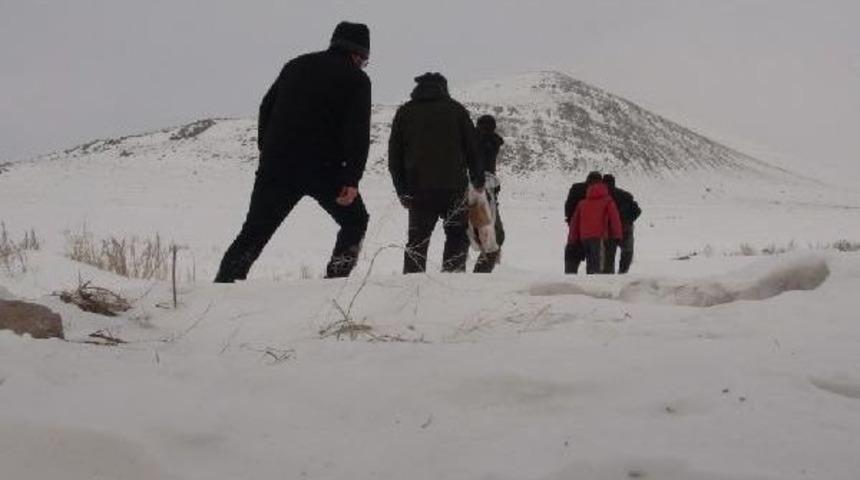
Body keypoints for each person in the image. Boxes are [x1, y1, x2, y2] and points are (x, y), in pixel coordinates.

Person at [214, 22, 372, 283]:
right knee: (355, 220)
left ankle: (223, 287)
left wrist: (267, 149)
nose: (363, 65)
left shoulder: (295, 66)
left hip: (277, 166)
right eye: (364, 61)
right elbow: (357, 132)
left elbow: (266, 107)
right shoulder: (357, 79)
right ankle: (336, 283)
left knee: (254, 231)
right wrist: (352, 178)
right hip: (325, 169)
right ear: (357, 55)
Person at [388, 72, 485, 273]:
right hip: (454, 187)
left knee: (417, 240)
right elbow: (473, 149)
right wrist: (478, 179)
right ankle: (452, 278)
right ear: (443, 88)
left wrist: (402, 190)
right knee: (457, 235)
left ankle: (411, 284)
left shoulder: (405, 112)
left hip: (418, 189)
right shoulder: (456, 110)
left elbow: (394, 157)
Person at [568, 180, 623, 274]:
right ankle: (596, 281)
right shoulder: (608, 202)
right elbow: (615, 219)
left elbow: (574, 222)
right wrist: (617, 235)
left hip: (584, 237)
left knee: (590, 262)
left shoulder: (582, 203)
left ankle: (590, 279)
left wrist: (572, 238)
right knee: (598, 263)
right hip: (599, 236)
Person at [473, 114, 505, 273]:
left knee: (488, 236)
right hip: (481, 193)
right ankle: (480, 274)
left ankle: (476, 274)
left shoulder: (474, 140)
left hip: (480, 192)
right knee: (494, 237)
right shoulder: (492, 142)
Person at [563, 171, 602, 273]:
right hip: (595, 232)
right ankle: (592, 280)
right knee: (593, 262)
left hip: (576, 228)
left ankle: (569, 277)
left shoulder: (576, 188)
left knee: (572, 256)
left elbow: (568, 206)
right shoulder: (602, 192)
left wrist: (570, 221)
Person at [602, 174, 642, 273]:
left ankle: (608, 275)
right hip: (625, 228)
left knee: (609, 254)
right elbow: (637, 210)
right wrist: (629, 220)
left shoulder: (602, 197)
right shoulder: (625, 195)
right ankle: (623, 272)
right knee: (627, 251)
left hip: (609, 230)